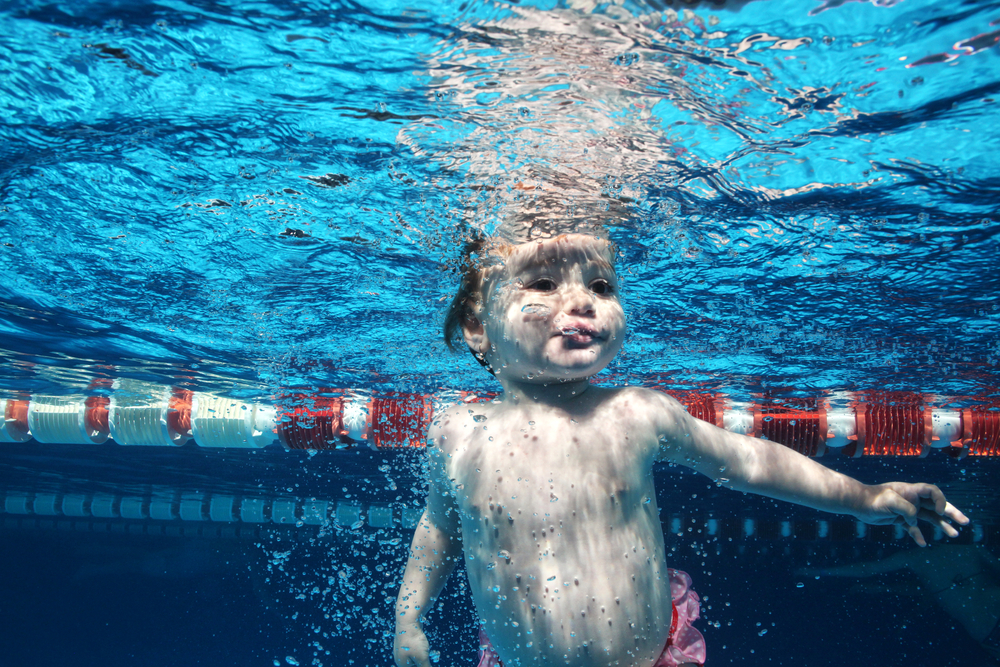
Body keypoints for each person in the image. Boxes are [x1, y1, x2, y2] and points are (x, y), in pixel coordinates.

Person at [392, 231, 969, 667]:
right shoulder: (456, 433)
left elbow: (748, 461)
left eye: (601, 286)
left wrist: (865, 497)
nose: (583, 301)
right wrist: (409, 614)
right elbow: (439, 528)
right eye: (543, 283)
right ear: (476, 325)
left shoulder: (635, 413)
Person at [798, 544, 1000, 664]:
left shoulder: (917, 557)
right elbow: (935, 592)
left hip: (988, 630)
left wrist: (818, 572)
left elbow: (867, 569)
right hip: (989, 626)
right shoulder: (971, 547)